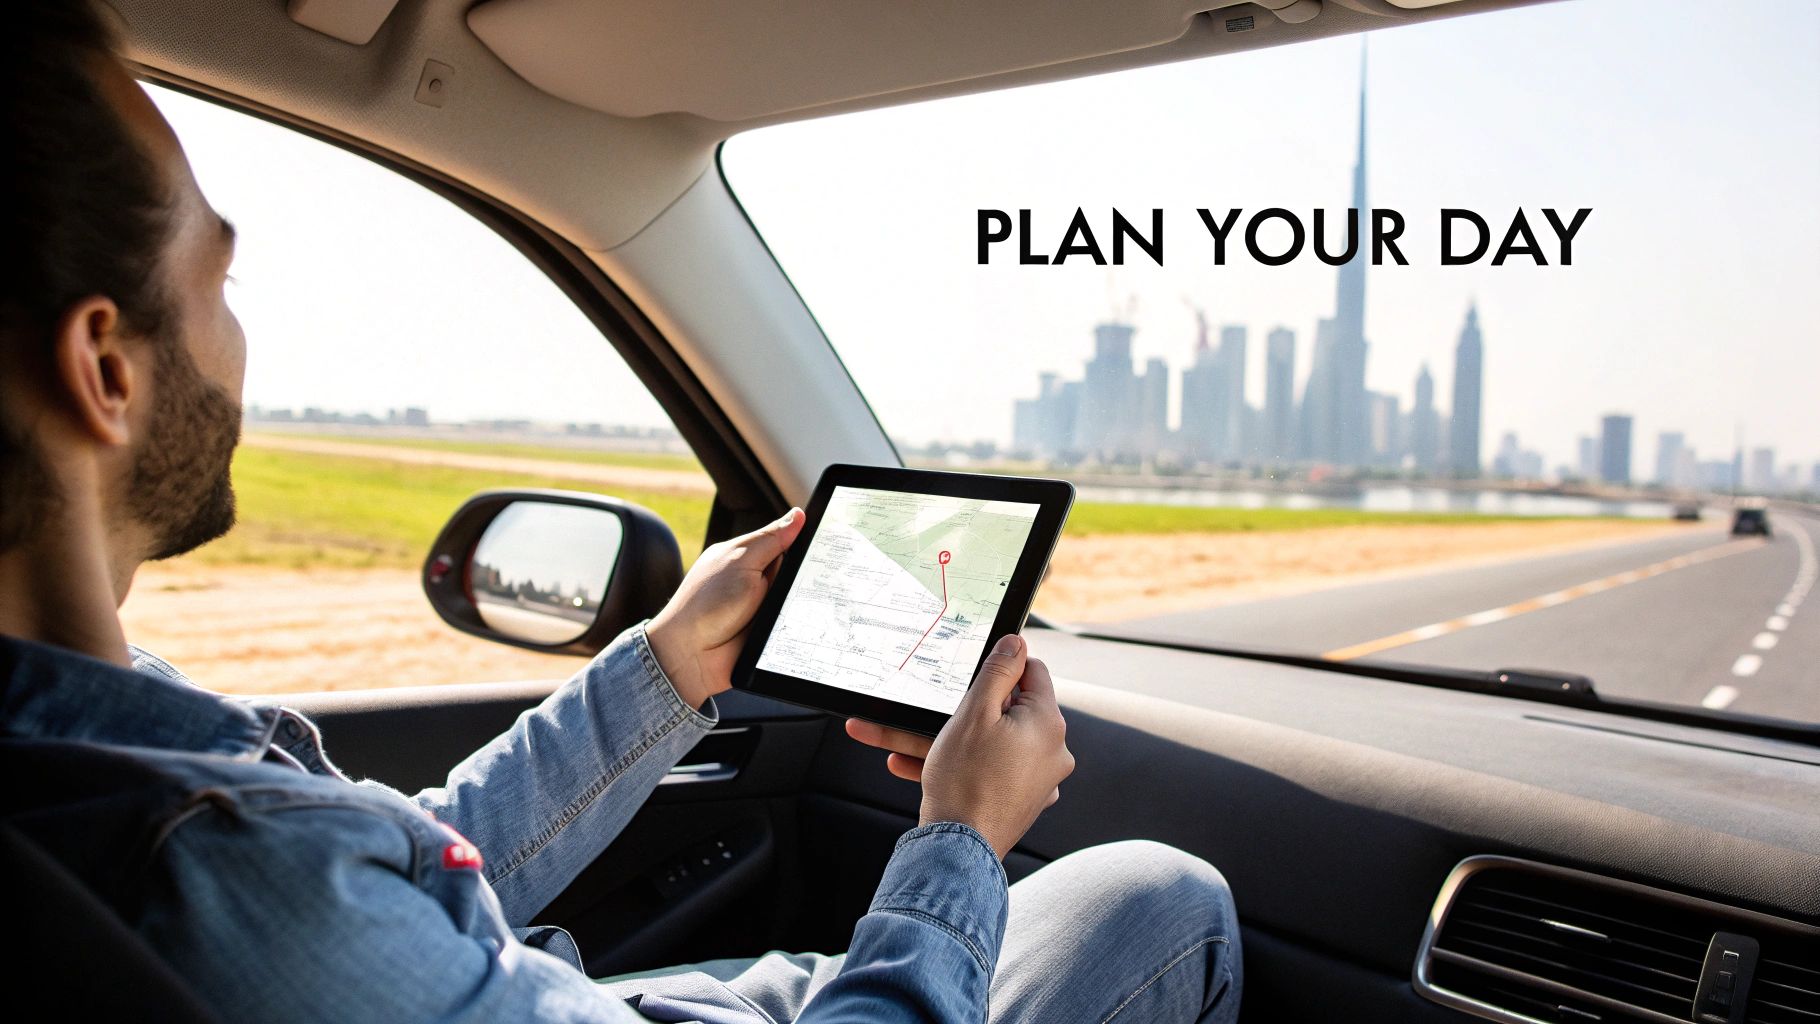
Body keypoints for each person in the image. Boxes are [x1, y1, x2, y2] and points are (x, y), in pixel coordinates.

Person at [0, 2, 1242, 1020]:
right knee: (1159, 898)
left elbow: (414, 870)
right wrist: (961, 835)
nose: (237, 335)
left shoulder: (107, 770)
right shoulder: (220, 871)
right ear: (104, 370)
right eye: (220, 277)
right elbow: (333, 901)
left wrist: (661, 667)